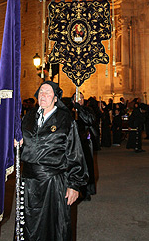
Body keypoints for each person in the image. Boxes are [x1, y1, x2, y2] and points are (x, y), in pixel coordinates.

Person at [16, 81, 88, 241]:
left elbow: (75, 152)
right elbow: (24, 145)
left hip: (53, 183)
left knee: (53, 227)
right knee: (29, 225)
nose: (43, 95)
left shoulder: (65, 120)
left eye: (48, 92)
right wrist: (18, 143)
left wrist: (74, 185)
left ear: (55, 98)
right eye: (41, 91)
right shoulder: (28, 117)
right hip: (29, 183)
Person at [71, 91, 97, 201]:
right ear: (73, 100)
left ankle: (86, 191)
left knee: (86, 166)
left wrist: (80, 109)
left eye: (82, 98)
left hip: (84, 142)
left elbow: (90, 120)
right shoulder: (68, 111)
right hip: (72, 144)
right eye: (77, 98)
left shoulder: (87, 110)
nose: (80, 100)